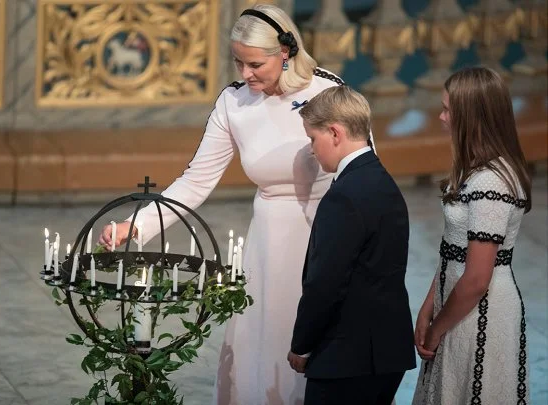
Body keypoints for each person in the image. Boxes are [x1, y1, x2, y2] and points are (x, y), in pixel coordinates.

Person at [98, 5, 375, 404]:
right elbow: (195, 180)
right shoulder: (234, 103)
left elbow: (367, 172)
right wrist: (135, 226)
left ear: (286, 50)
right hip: (267, 245)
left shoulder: (327, 90)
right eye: (238, 62)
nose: (245, 74)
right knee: (264, 349)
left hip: (329, 237)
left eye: (255, 64)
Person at [287, 86, 415, 404]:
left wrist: (302, 344)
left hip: (347, 357)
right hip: (386, 352)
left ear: (335, 132)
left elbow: (325, 283)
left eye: (313, 139)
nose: (312, 150)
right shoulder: (382, 180)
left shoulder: (344, 195)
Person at [412, 66, 532, 404]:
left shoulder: (491, 181)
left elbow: (478, 276)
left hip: (480, 315)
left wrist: (437, 329)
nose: (441, 116)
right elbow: (454, 248)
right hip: (456, 308)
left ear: (473, 117)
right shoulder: (476, 171)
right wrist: (429, 305)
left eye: (449, 109)